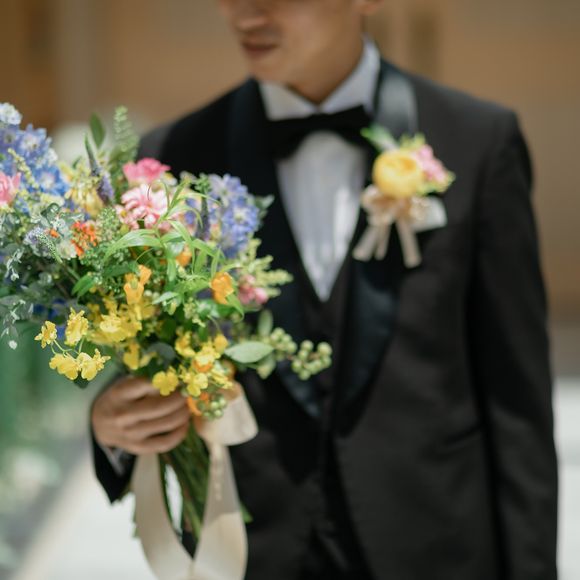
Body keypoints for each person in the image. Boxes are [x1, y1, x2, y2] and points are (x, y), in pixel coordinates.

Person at [91, 1, 559, 578]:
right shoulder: (169, 162)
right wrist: (113, 425)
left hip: (435, 544)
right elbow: (146, 351)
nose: (245, 14)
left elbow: (517, 403)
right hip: (250, 551)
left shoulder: (479, 141)